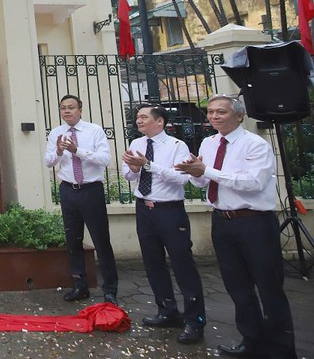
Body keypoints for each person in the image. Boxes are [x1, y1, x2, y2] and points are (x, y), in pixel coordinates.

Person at [175, 94, 296, 359]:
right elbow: (203, 182)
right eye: (210, 112)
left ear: (239, 115)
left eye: (221, 112)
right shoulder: (208, 143)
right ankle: (250, 339)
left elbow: (252, 182)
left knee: (269, 286)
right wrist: (195, 173)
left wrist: (207, 171)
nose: (214, 117)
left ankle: (281, 348)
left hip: (254, 223)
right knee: (237, 286)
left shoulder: (255, 144)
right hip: (222, 221)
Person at [122, 104, 204, 345]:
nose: (138, 121)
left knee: (182, 263)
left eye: (144, 117)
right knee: (153, 261)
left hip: (169, 210)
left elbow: (182, 178)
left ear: (160, 122)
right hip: (144, 208)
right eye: (137, 117)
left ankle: (194, 320)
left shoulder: (177, 146)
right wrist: (134, 168)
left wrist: (148, 165)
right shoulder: (137, 144)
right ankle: (167, 310)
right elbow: (130, 176)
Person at [44, 94, 118, 304]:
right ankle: (79, 285)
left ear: (80, 110)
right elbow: (48, 162)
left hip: (91, 190)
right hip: (68, 191)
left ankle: (110, 290)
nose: (66, 111)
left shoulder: (94, 131)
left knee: (101, 241)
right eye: (63, 108)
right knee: (73, 240)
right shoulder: (56, 133)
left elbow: (104, 159)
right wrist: (59, 151)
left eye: (71, 107)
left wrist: (78, 151)